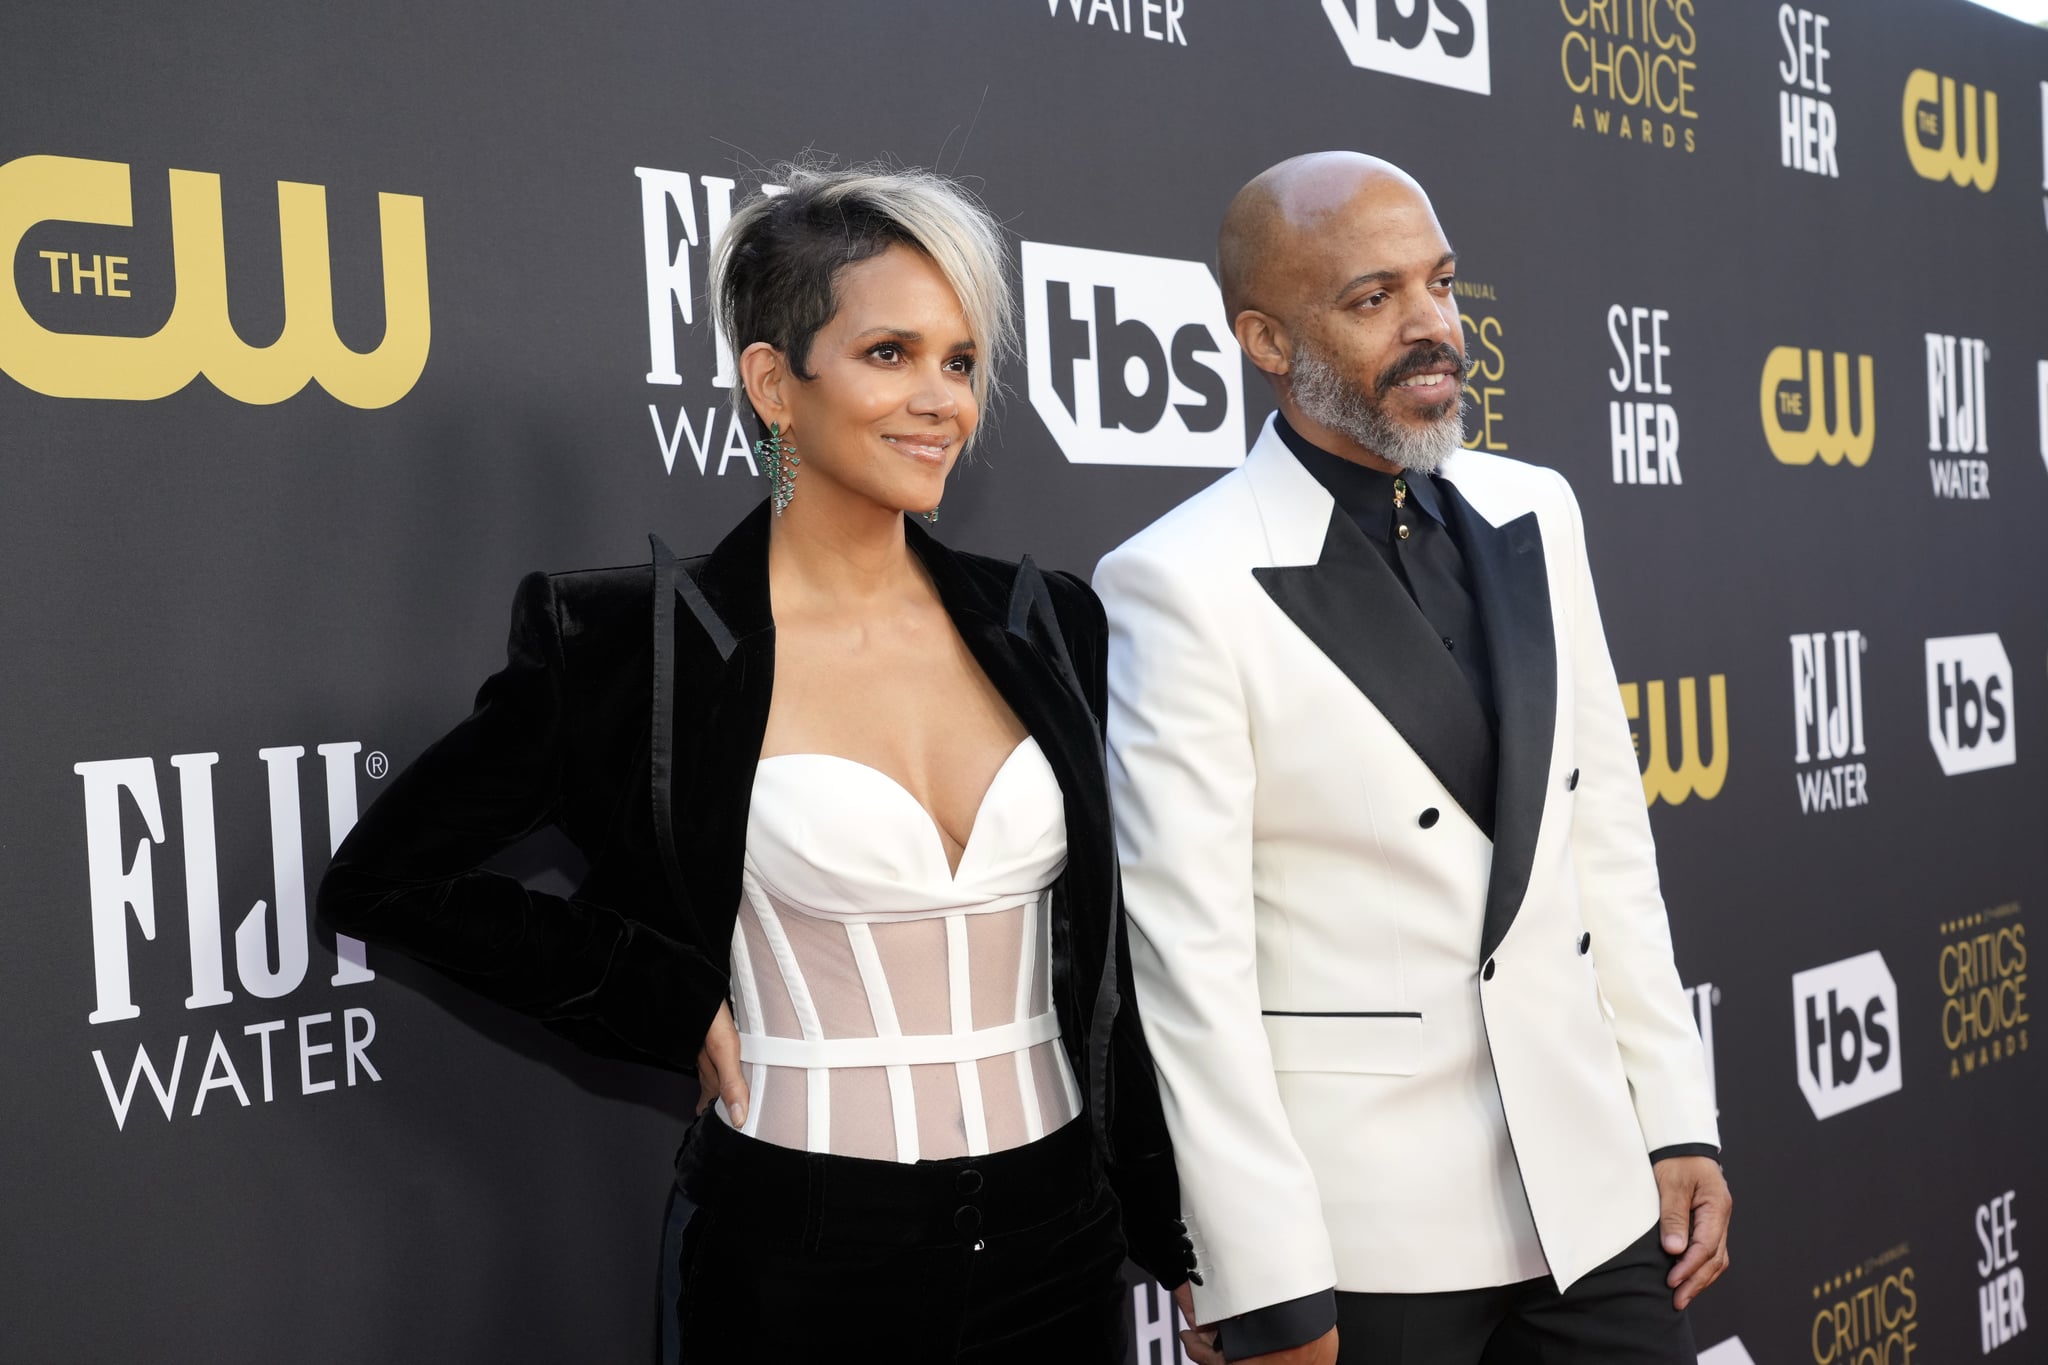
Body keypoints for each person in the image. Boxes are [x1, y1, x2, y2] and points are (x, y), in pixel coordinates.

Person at [319, 163, 1186, 1362]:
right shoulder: (642, 646)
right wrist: (654, 990)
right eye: (890, 353)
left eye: (960, 360)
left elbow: (1115, 962)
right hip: (799, 1250)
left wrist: (1178, 1233)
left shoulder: (1048, 623)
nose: (940, 398)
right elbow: (384, 879)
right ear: (775, 383)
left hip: (1060, 1238)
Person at [1093, 151, 1731, 1365]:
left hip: (1590, 1201)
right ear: (1265, 340)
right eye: (1371, 298)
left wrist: (1672, 1122)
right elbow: (1193, 966)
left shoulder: (1535, 509)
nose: (1432, 327)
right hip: (1363, 1238)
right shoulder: (1178, 579)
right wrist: (1261, 1277)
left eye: (1438, 284)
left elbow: (1603, 842)